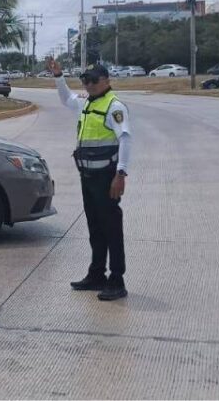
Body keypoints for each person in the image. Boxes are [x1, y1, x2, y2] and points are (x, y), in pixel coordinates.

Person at [47, 59, 131, 301]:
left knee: (111, 229)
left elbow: (125, 138)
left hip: (107, 177)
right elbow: (66, 99)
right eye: (86, 80)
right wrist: (59, 76)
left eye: (94, 80)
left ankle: (117, 279)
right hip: (88, 177)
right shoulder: (86, 104)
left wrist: (121, 174)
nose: (89, 84)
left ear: (106, 80)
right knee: (95, 228)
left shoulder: (114, 107)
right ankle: (96, 274)